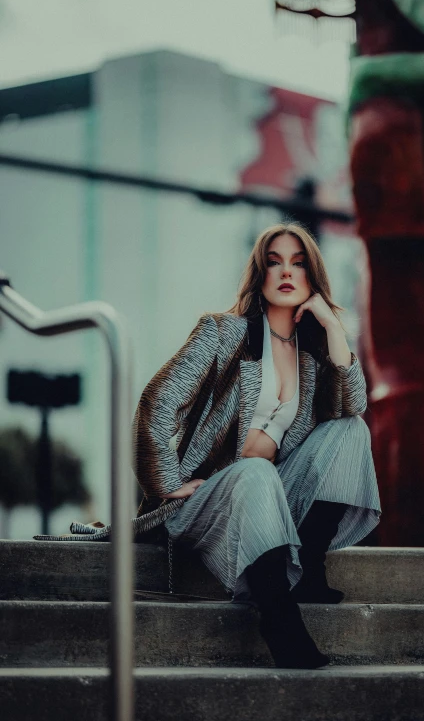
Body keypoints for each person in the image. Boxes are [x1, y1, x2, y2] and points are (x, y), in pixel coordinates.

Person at [133, 222, 381, 669]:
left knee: (351, 430)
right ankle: (278, 617)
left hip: (270, 497)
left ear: (312, 279)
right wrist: (167, 481)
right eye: (274, 262)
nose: (286, 271)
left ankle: (309, 567)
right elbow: (158, 400)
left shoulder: (312, 357)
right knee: (254, 470)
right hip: (210, 499)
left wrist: (331, 324)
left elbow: (353, 404)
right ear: (259, 275)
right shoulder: (223, 333)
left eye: (298, 263)